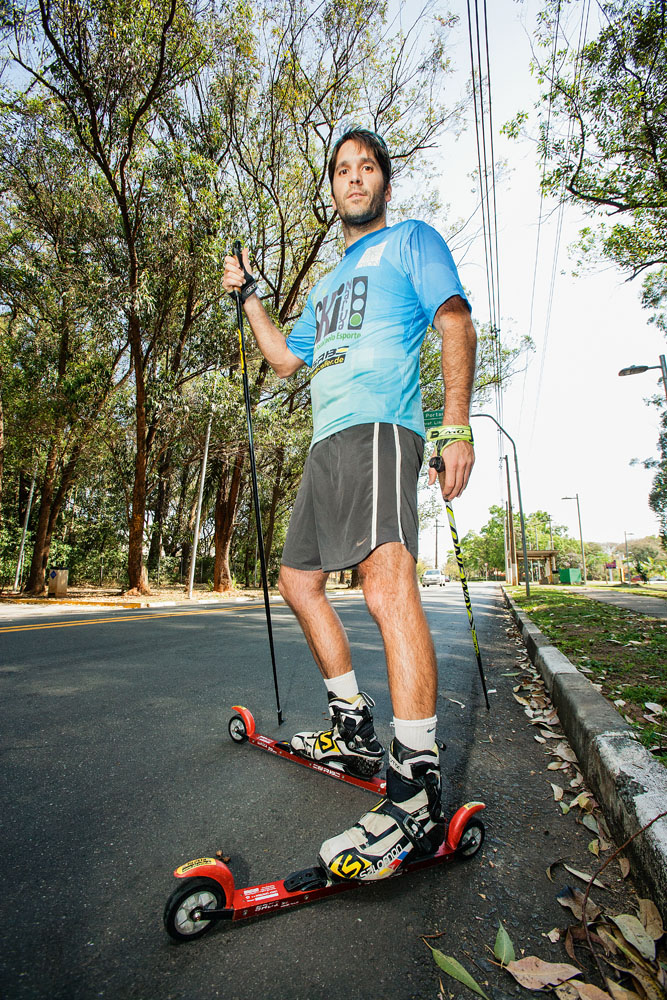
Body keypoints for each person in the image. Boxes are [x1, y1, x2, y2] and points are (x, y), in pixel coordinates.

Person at [222, 127, 476, 882]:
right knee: (297, 583)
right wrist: (248, 299)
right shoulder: (328, 283)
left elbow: (454, 321)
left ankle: (417, 786)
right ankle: (351, 723)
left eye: (367, 168)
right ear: (331, 189)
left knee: (383, 581)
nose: (354, 179)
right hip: (324, 443)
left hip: (378, 430)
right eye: (341, 170)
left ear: (384, 185)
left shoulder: (411, 243)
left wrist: (453, 425)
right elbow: (281, 359)